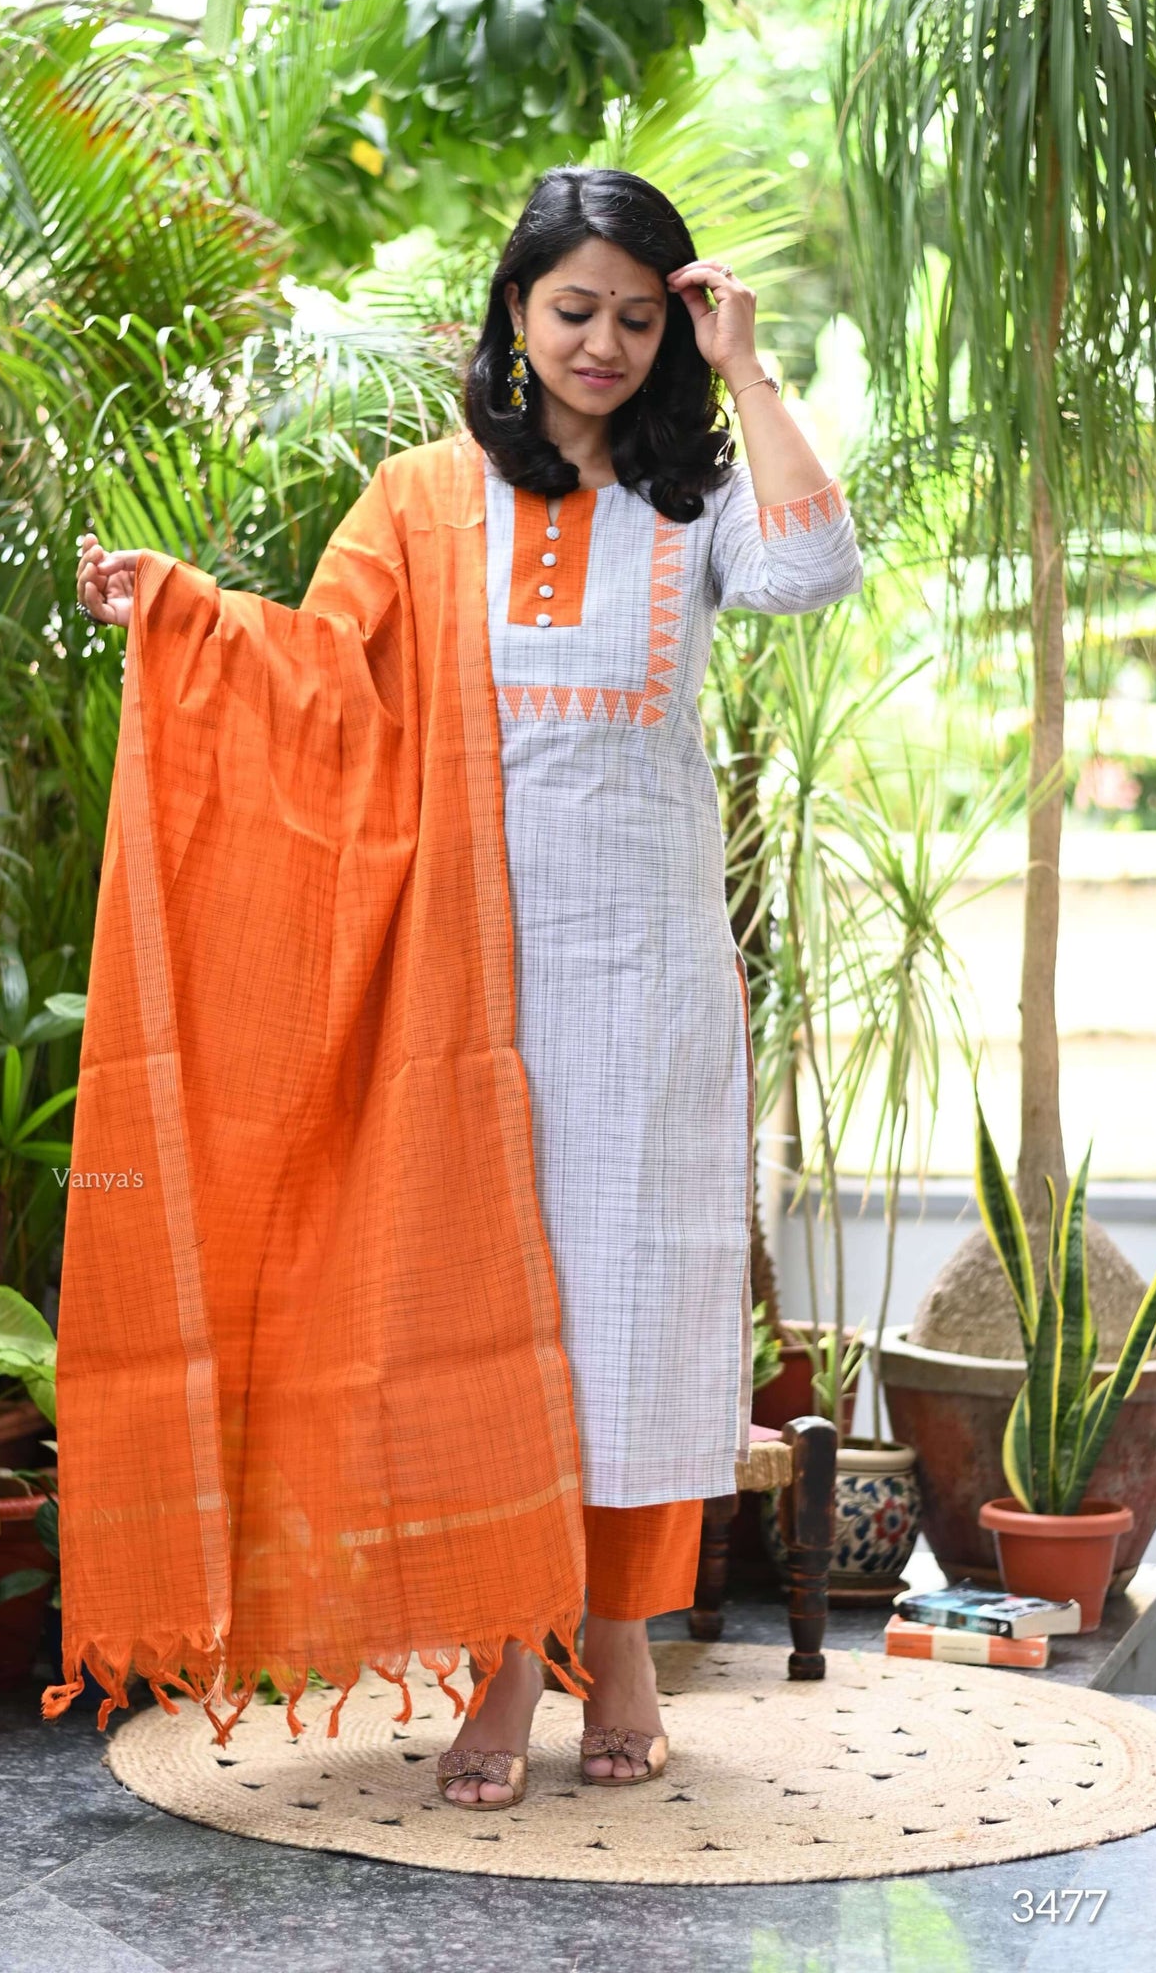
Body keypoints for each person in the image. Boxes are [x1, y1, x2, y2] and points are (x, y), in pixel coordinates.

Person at [70, 167, 862, 1812]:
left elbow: (814, 569)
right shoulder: (424, 498)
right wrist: (183, 616)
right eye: (574, 310)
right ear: (515, 310)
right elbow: (318, 679)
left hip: (645, 985)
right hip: (460, 993)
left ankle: (619, 1648)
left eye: (637, 318)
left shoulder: (692, 497)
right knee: (489, 1328)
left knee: (630, 1327)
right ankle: (509, 1658)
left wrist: (747, 367)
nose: (603, 344)